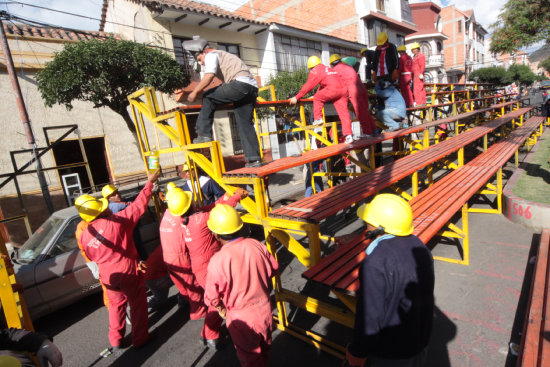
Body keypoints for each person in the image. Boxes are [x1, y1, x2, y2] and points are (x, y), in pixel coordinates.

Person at [344, 194, 434, 367]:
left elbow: (370, 317)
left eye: (367, 221)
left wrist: (358, 352)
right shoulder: (419, 246)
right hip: (419, 343)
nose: (365, 224)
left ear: (378, 228)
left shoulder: (376, 262)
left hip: (389, 354)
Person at [76, 169, 160, 350]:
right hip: (127, 270)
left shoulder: (84, 233)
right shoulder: (116, 222)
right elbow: (138, 206)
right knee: (138, 304)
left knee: (116, 307)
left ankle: (115, 340)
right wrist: (149, 183)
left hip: (108, 275)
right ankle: (140, 339)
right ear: (100, 211)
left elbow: (90, 255)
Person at [160, 187, 247, 349]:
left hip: (200, 268)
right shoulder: (202, 220)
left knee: (217, 299)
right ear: (189, 203)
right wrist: (235, 197)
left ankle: (210, 333)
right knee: (218, 301)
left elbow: (210, 209)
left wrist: (225, 197)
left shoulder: (186, 220)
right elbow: (222, 213)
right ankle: (210, 335)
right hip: (209, 269)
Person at [205, 204, 279, 367]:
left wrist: (219, 308)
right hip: (265, 310)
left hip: (241, 319)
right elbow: (273, 269)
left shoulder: (217, 261)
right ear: (240, 226)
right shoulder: (256, 245)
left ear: (215, 235)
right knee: (265, 349)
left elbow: (211, 297)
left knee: (251, 359)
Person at [183, 36, 262, 168]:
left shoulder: (211, 55)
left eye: (199, 59)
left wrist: (195, 92)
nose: (201, 63)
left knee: (208, 96)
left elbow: (209, 75)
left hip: (240, 85)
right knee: (244, 123)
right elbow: (223, 83)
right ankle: (254, 159)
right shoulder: (225, 55)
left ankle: (203, 134)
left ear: (203, 52)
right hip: (252, 88)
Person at [290, 55, 354, 144]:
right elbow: (324, 84)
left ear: (311, 67)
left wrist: (297, 97)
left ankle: (318, 118)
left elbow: (309, 85)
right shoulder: (327, 68)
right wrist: (318, 93)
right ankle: (349, 136)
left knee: (317, 98)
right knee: (344, 114)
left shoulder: (315, 70)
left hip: (333, 90)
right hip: (343, 90)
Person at [330, 54, 377, 138]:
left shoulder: (335, 70)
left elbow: (332, 84)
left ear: (332, 64)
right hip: (361, 87)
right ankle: (374, 130)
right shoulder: (347, 66)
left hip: (354, 89)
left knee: (360, 112)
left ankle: (367, 132)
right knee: (365, 111)